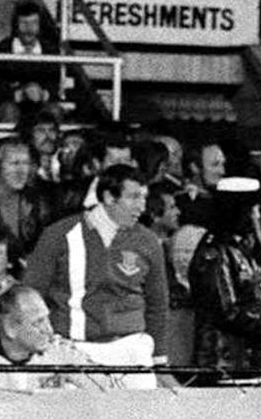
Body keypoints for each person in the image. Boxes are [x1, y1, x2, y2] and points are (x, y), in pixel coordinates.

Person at [24, 164, 169, 387]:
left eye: (144, 197)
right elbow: (31, 296)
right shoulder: (58, 235)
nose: (142, 206)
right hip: (73, 351)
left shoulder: (148, 241)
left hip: (131, 350)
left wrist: (159, 359)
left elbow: (157, 304)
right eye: (134, 197)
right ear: (109, 197)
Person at [0, 284, 121, 394]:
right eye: (38, 322)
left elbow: (111, 391)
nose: (49, 330)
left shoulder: (60, 351)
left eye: (47, 319)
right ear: (10, 328)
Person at [188, 177, 261, 373]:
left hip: (248, 357)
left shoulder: (245, 247)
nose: (257, 216)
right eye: (253, 209)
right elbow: (226, 310)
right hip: (224, 360)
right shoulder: (216, 251)